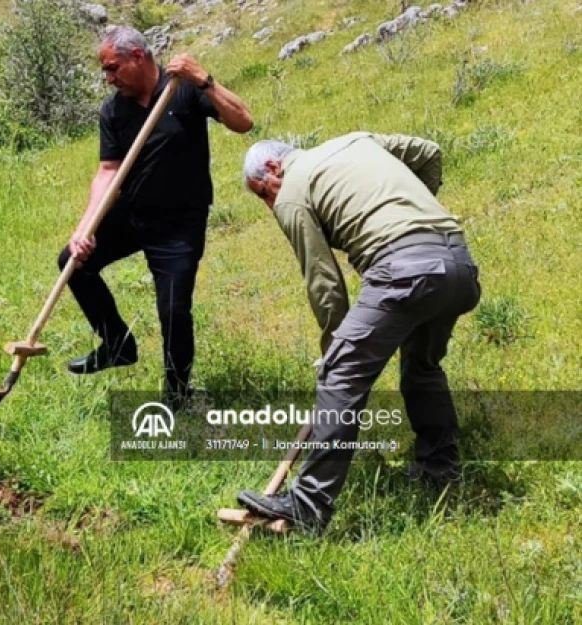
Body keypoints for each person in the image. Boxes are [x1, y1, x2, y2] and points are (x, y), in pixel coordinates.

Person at [237, 132, 482, 531]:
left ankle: (309, 504)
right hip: (457, 263)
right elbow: (430, 153)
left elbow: (324, 282)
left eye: (263, 194)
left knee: (341, 376)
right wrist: (408, 213)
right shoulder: (355, 141)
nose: (270, 205)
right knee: (422, 368)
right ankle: (440, 472)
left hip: (404, 273)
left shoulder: (292, 191)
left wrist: (335, 351)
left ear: (272, 168)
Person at [59, 25, 253, 405]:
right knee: (73, 261)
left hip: (180, 222)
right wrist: (85, 228)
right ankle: (117, 344)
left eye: (112, 68)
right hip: (131, 215)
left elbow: (243, 121)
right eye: (105, 70)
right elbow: (108, 170)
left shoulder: (182, 90)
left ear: (138, 56)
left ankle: (177, 394)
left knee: (173, 308)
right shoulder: (114, 110)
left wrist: (205, 80)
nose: (108, 78)